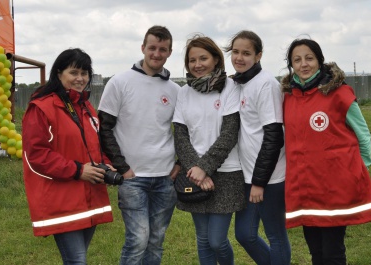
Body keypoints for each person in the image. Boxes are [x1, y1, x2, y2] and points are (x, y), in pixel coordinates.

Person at [281, 38, 371, 265]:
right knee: (316, 251)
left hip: (335, 186)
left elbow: (363, 133)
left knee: (333, 252)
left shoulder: (339, 93)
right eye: (297, 60)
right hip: (305, 186)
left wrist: (361, 168)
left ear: (319, 60)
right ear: (291, 65)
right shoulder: (287, 97)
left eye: (309, 58)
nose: (304, 64)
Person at [22, 48, 114, 264]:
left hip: (88, 196)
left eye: (84, 73)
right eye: (74, 72)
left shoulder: (85, 106)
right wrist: (78, 170)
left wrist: (107, 165)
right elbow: (36, 155)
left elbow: (94, 147)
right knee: (76, 261)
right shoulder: (41, 107)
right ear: (59, 73)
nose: (80, 78)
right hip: (61, 199)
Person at [97, 25, 180, 265]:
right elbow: (105, 127)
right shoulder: (120, 82)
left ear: (169, 52)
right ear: (143, 48)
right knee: (138, 239)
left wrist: (180, 163)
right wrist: (122, 167)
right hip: (133, 177)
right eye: (152, 47)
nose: (156, 53)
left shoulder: (175, 90)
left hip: (165, 178)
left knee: (156, 240)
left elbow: (186, 132)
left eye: (162, 49)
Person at [173, 34, 245, 265]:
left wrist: (204, 168)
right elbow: (181, 136)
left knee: (216, 240)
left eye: (203, 58)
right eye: (192, 60)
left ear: (215, 59)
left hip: (226, 173)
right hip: (194, 174)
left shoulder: (230, 88)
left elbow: (229, 133)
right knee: (203, 240)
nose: (197, 64)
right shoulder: (183, 93)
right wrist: (196, 170)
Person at [224, 30, 291, 265]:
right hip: (248, 175)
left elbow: (274, 137)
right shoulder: (239, 83)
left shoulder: (266, 85)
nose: (239, 58)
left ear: (259, 55)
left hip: (269, 178)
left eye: (246, 53)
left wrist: (259, 182)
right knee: (244, 234)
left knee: (276, 236)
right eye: (235, 52)